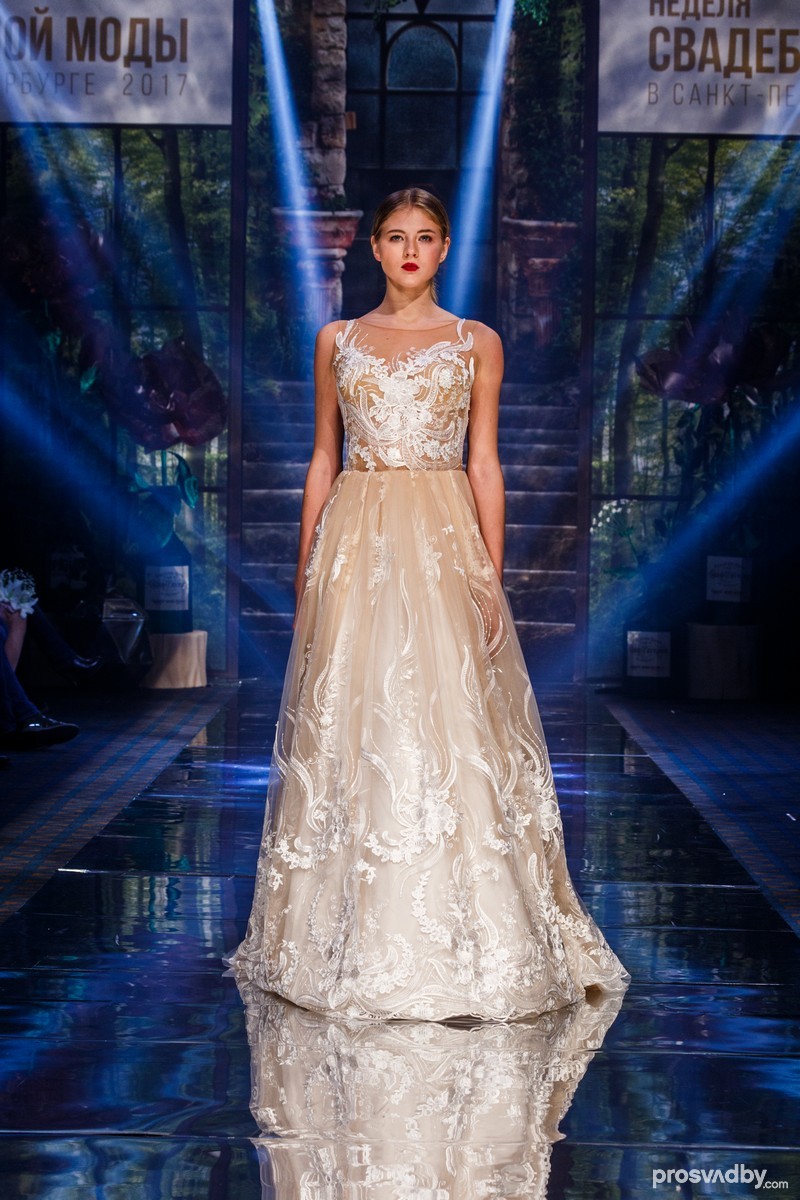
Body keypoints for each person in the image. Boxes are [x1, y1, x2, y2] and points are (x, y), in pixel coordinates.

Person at [230, 188, 629, 1020]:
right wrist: (306, 569)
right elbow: (323, 456)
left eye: (424, 236)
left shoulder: (476, 341)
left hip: (443, 538)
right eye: (394, 236)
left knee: (449, 716)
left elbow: (484, 461)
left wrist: (490, 574)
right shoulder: (337, 340)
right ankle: (344, 930)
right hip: (357, 538)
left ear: (445, 248)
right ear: (373, 248)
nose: (409, 249)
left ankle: (465, 928)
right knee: (356, 717)